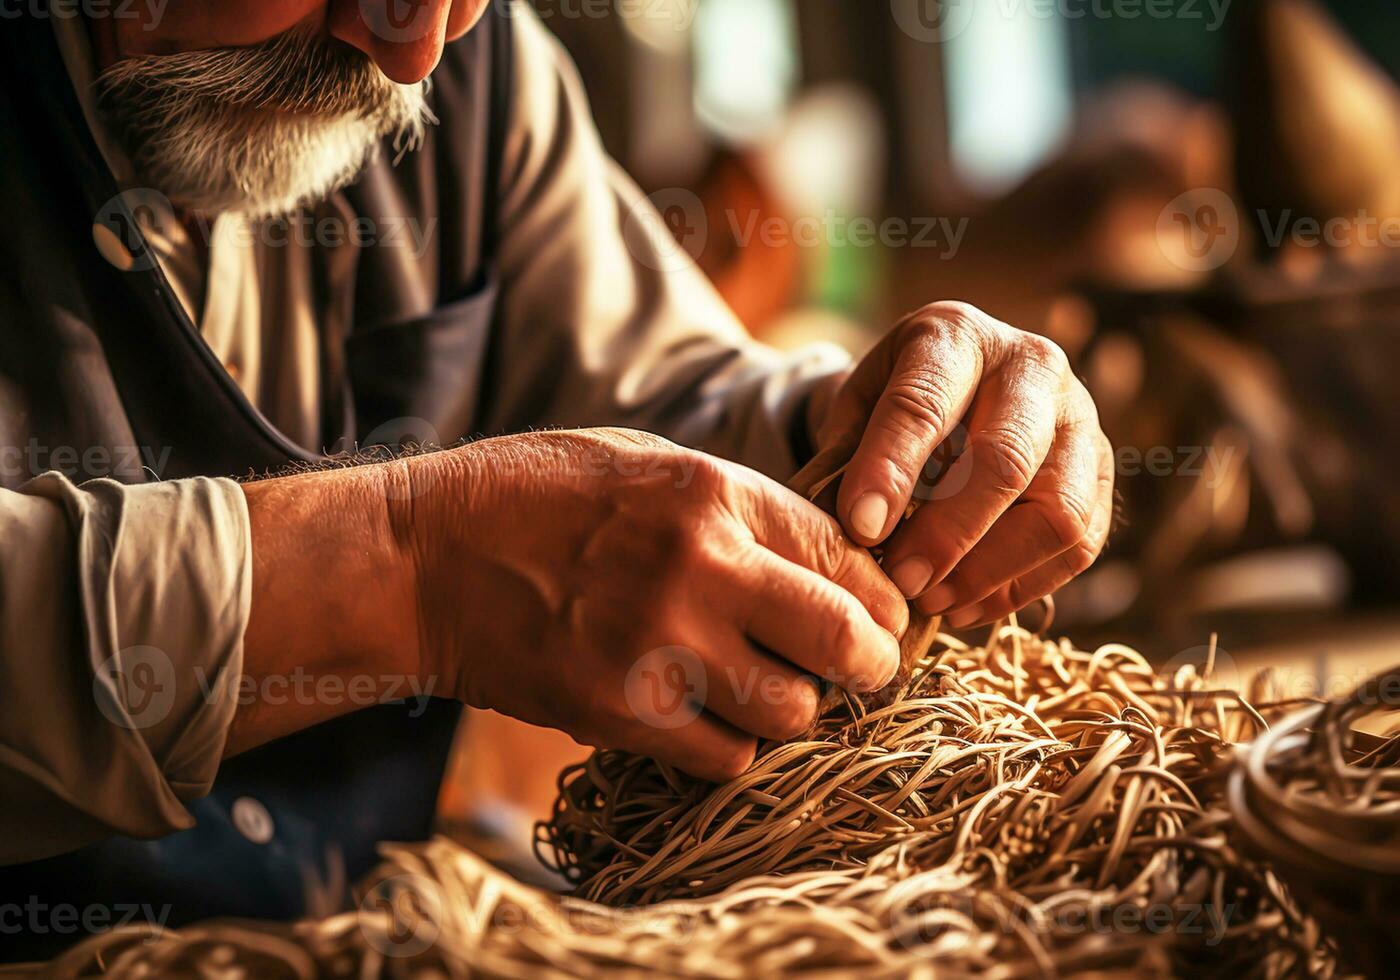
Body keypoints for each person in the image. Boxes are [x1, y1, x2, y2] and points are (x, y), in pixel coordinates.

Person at [0, 0, 1112, 951]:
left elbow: (658, 382)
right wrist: (412, 569)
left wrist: (855, 438)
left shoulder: (472, 62)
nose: (412, 53)